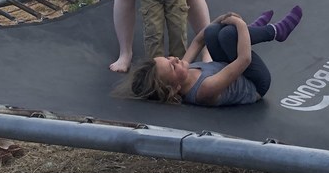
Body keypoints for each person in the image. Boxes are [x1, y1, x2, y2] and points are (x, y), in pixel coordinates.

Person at [124, 6, 303, 107]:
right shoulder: (204, 90)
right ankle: (276, 31)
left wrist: (221, 18)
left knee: (212, 32)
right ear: (174, 89)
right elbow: (244, 60)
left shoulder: (184, 71)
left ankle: (252, 29)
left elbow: (198, 41)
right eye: (172, 65)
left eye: (168, 58)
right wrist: (239, 24)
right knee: (229, 35)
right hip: (255, 83)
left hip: (230, 67)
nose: (175, 59)